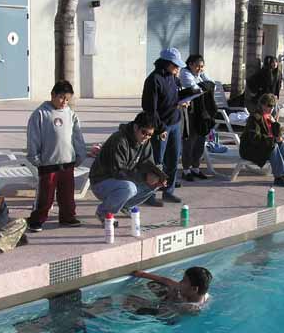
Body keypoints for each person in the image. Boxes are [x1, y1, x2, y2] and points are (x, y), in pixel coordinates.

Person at [26, 80, 87, 232]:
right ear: (52, 95)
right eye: (61, 97)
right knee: (46, 195)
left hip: (67, 162)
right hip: (48, 163)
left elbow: (77, 136)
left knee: (67, 194)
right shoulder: (40, 113)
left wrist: (80, 154)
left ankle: (67, 216)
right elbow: (33, 137)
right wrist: (34, 157)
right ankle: (37, 219)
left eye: (67, 99)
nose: (64, 102)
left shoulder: (71, 114)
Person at [89, 111, 166, 225]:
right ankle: (104, 212)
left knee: (155, 182)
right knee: (130, 188)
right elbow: (118, 172)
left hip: (122, 180)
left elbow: (148, 163)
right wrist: (144, 176)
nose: (146, 137)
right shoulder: (119, 140)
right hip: (101, 181)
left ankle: (126, 205)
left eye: (150, 134)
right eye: (144, 132)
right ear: (135, 127)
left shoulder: (145, 142)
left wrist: (155, 176)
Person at [142, 48, 186, 206]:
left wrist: (185, 99)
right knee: (157, 162)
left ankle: (168, 191)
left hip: (175, 123)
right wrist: (159, 129)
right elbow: (149, 109)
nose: (177, 68)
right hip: (161, 127)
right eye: (175, 65)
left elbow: (178, 95)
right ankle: (149, 195)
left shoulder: (174, 78)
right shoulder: (154, 80)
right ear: (166, 63)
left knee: (173, 160)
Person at [239, 93, 284, 188]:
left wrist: (275, 123)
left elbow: (277, 135)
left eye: (273, 106)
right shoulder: (255, 118)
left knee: (282, 144)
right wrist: (272, 140)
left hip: (263, 146)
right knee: (274, 145)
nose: (271, 108)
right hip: (251, 149)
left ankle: (283, 175)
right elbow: (254, 137)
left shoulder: (269, 117)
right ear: (262, 104)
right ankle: (278, 177)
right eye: (268, 105)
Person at [179, 54, 215, 182]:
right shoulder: (185, 73)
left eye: (202, 66)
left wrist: (205, 85)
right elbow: (194, 89)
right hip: (190, 111)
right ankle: (186, 170)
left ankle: (196, 168)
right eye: (197, 66)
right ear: (190, 65)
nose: (200, 69)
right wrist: (205, 86)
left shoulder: (200, 74)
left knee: (200, 139)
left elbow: (212, 84)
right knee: (190, 140)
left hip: (202, 112)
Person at [126, 266, 213, 316]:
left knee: (132, 302)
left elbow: (163, 309)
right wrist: (142, 274)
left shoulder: (191, 308)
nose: (180, 282)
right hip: (174, 303)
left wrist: (171, 298)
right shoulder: (196, 291)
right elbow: (166, 281)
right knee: (153, 284)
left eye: (184, 281)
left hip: (167, 319)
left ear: (194, 289)